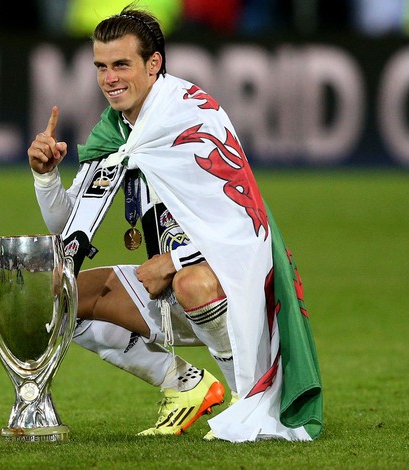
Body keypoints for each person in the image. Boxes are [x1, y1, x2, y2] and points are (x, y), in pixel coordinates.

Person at [27, 4, 323, 442]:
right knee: (63, 297)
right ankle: (186, 385)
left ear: (153, 64)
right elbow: (67, 225)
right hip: (167, 289)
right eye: (101, 67)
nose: (110, 78)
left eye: (121, 65)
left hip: (235, 291)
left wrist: (172, 261)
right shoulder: (117, 133)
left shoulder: (192, 116)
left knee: (192, 283)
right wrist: (45, 176)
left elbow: (244, 227)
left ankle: (247, 395)